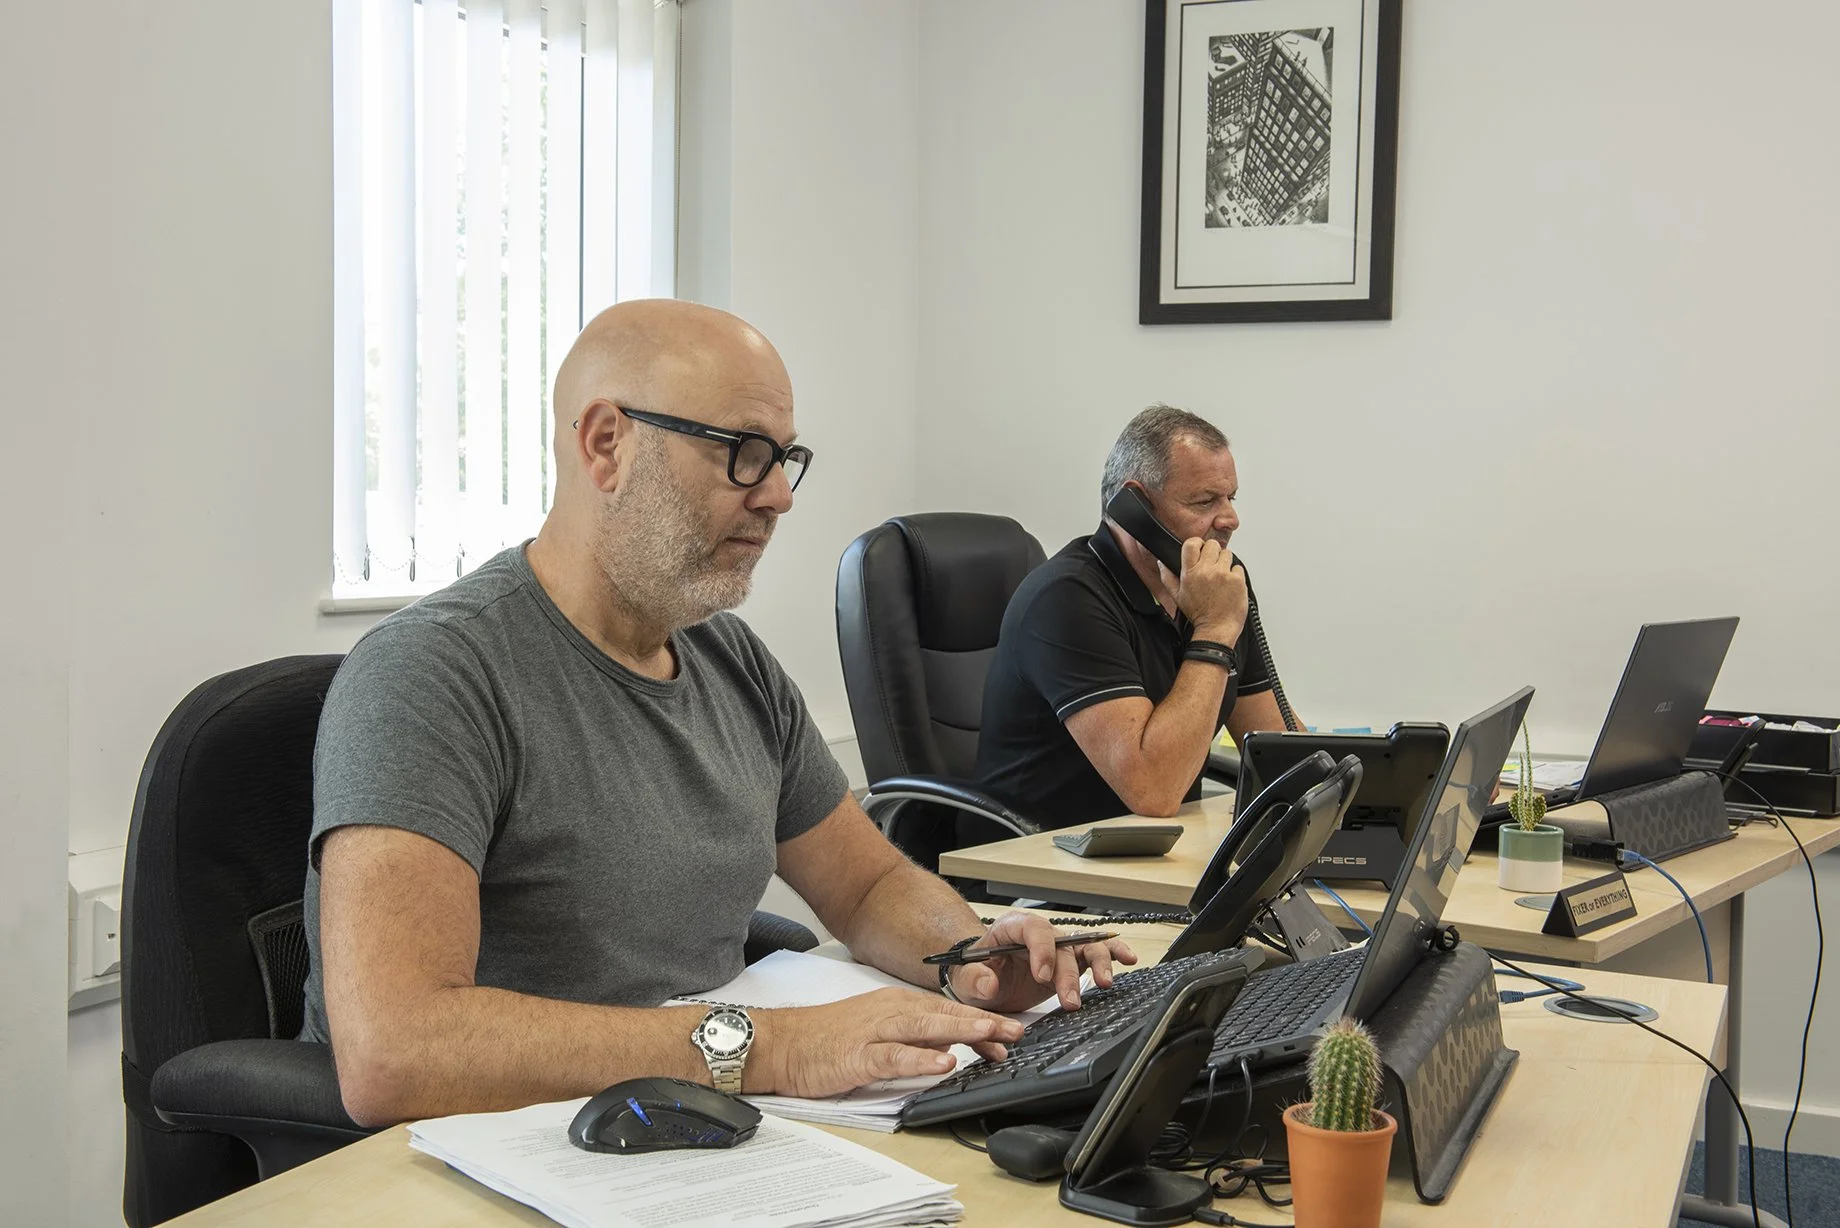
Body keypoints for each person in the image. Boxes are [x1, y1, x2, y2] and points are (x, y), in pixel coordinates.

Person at [300, 299, 1135, 1125]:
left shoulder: (728, 659)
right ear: (606, 444)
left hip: (686, 1118)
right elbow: (395, 1050)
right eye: (743, 452)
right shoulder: (432, 675)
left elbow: (867, 882)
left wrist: (965, 959)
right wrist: (771, 1049)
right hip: (499, 1151)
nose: (778, 495)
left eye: (784, 458)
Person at [975, 404, 1300, 827]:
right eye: (1205, 501)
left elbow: (1281, 753)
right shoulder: (1067, 598)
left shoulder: (1211, 586)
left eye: (1230, 498)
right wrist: (1214, 631)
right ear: (1134, 507)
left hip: (1154, 856)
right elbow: (1154, 790)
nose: (1230, 519)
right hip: (1040, 868)